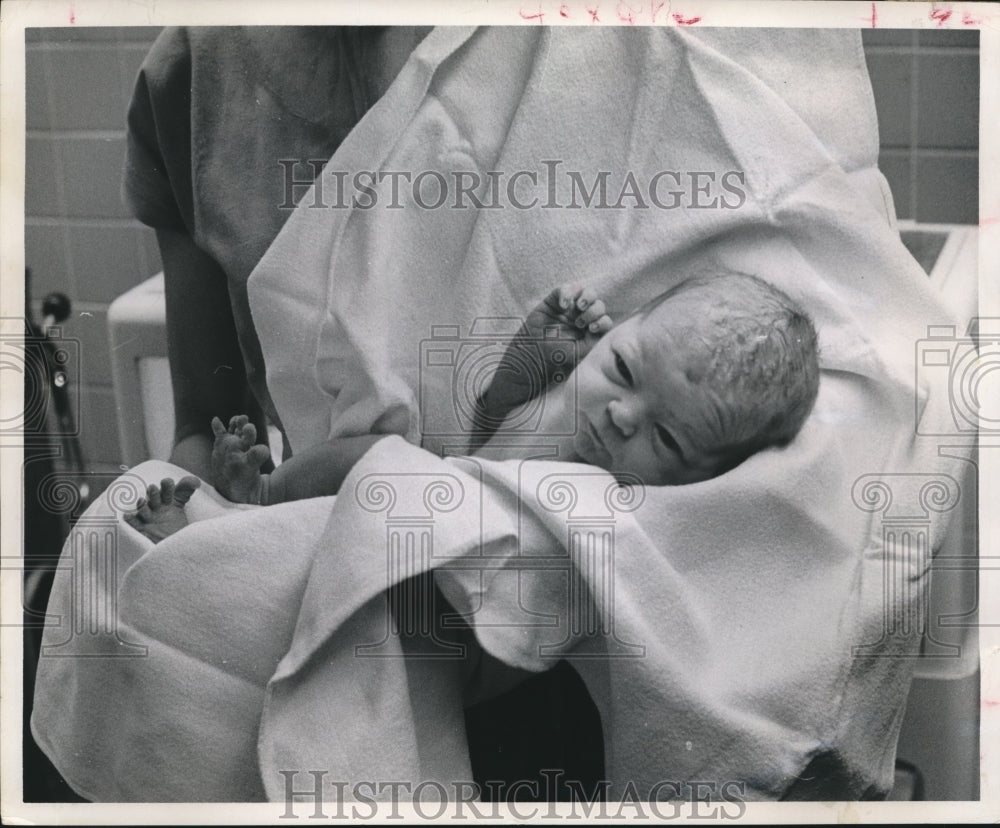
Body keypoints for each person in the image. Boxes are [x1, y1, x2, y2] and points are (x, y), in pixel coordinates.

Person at [125, 270, 820, 541]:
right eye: (623, 367)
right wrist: (535, 356)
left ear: (704, 479)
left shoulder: (630, 510)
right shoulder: (566, 406)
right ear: (622, 330)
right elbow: (495, 421)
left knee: (342, 535)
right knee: (377, 460)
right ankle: (261, 498)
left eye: (666, 440)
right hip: (437, 488)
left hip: (458, 563)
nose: (621, 416)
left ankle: (220, 545)